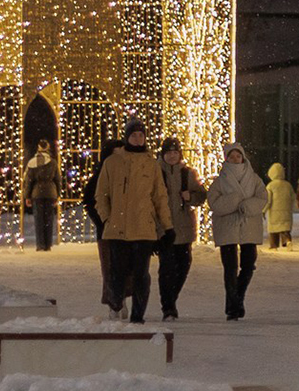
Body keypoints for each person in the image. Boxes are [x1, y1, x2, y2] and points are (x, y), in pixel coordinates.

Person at [89, 118, 170, 322]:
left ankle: (137, 315)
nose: (137, 138)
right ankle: (116, 303)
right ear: (127, 137)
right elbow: (101, 194)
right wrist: (108, 218)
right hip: (118, 228)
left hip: (143, 227)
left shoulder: (151, 165)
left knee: (141, 273)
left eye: (141, 135)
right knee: (117, 272)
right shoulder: (112, 163)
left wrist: (167, 226)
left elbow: (160, 196)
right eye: (133, 135)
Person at [206, 142, 266, 320]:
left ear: (243, 157)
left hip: (249, 225)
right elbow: (214, 202)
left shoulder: (254, 179)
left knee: (248, 265)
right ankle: (233, 306)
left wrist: (247, 206)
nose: (235, 159)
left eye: (237, 156)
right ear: (226, 159)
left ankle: (236, 299)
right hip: (227, 228)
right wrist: (235, 200)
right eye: (231, 157)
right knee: (230, 268)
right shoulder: (220, 180)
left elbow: (263, 197)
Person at [155, 137, 207, 321]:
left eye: (175, 152)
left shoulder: (188, 173)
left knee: (184, 266)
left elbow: (201, 195)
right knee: (167, 268)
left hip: (184, 227)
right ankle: (168, 307)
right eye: (168, 152)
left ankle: (171, 299)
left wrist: (190, 197)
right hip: (163, 228)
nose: (172, 156)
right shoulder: (155, 172)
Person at [84, 137, 118, 309]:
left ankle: (120, 298)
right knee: (109, 267)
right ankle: (113, 300)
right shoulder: (100, 175)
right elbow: (90, 200)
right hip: (106, 230)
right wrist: (102, 220)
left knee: (126, 267)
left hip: (127, 228)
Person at [22, 138, 60, 252]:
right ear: (47, 148)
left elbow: (28, 181)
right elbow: (58, 179)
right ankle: (48, 245)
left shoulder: (32, 162)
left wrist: (27, 196)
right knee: (49, 220)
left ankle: (40, 244)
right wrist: (57, 194)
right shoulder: (53, 162)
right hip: (50, 192)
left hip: (37, 193)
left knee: (39, 220)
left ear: (38, 148)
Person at [265, 159, 295, 250]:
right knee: (285, 228)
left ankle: (274, 245)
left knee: (274, 230)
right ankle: (288, 241)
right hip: (286, 211)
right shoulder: (288, 185)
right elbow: (292, 197)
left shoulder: (270, 186)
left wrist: (263, 210)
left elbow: (268, 200)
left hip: (274, 212)